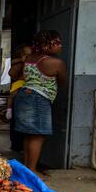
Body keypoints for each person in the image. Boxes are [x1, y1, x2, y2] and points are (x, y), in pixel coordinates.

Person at [13, 31, 67, 179]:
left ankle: (26, 169)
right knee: (38, 135)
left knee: (29, 135)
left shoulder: (28, 59)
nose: (60, 45)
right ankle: (32, 172)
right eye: (56, 43)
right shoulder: (56, 63)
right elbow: (62, 82)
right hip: (39, 99)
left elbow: (14, 74)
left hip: (24, 95)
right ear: (45, 45)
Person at [6, 45, 32, 152]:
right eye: (25, 54)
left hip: (28, 88)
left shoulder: (35, 62)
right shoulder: (20, 62)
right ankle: (8, 109)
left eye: (30, 54)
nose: (28, 56)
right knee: (13, 95)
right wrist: (20, 61)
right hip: (20, 85)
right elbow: (11, 73)